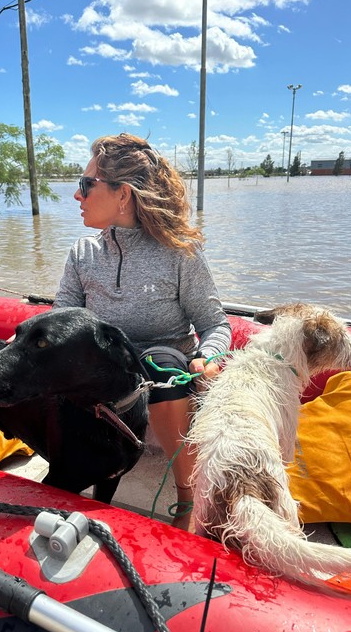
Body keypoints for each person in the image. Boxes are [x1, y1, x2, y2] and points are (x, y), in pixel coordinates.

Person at [53, 133, 232, 530]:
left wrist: (211, 356)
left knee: (162, 363)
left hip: (163, 371)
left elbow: (213, 323)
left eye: (86, 184)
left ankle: (188, 493)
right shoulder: (82, 253)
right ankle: (68, 475)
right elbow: (63, 315)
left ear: (123, 195)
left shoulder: (179, 252)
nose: (76, 194)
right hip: (105, 370)